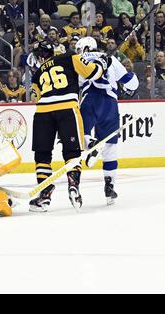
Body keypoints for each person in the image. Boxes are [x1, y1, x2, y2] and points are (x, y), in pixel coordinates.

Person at [28, 41, 109, 212]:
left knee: (42, 155)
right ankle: (73, 185)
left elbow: (35, 97)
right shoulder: (70, 57)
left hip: (43, 112)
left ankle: (45, 192)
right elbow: (91, 73)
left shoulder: (36, 75)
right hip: (67, 108)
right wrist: (103, 63)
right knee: (72, 152)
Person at [76, 37, 139, 205]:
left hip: (90, 99)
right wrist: (128, 83)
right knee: (111, 146)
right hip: (111, 104)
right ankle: (109, 187)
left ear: (84, 48)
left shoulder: (79, 60)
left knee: (82, 132)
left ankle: (91, 146)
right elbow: (132, 84)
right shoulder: (110, 59)